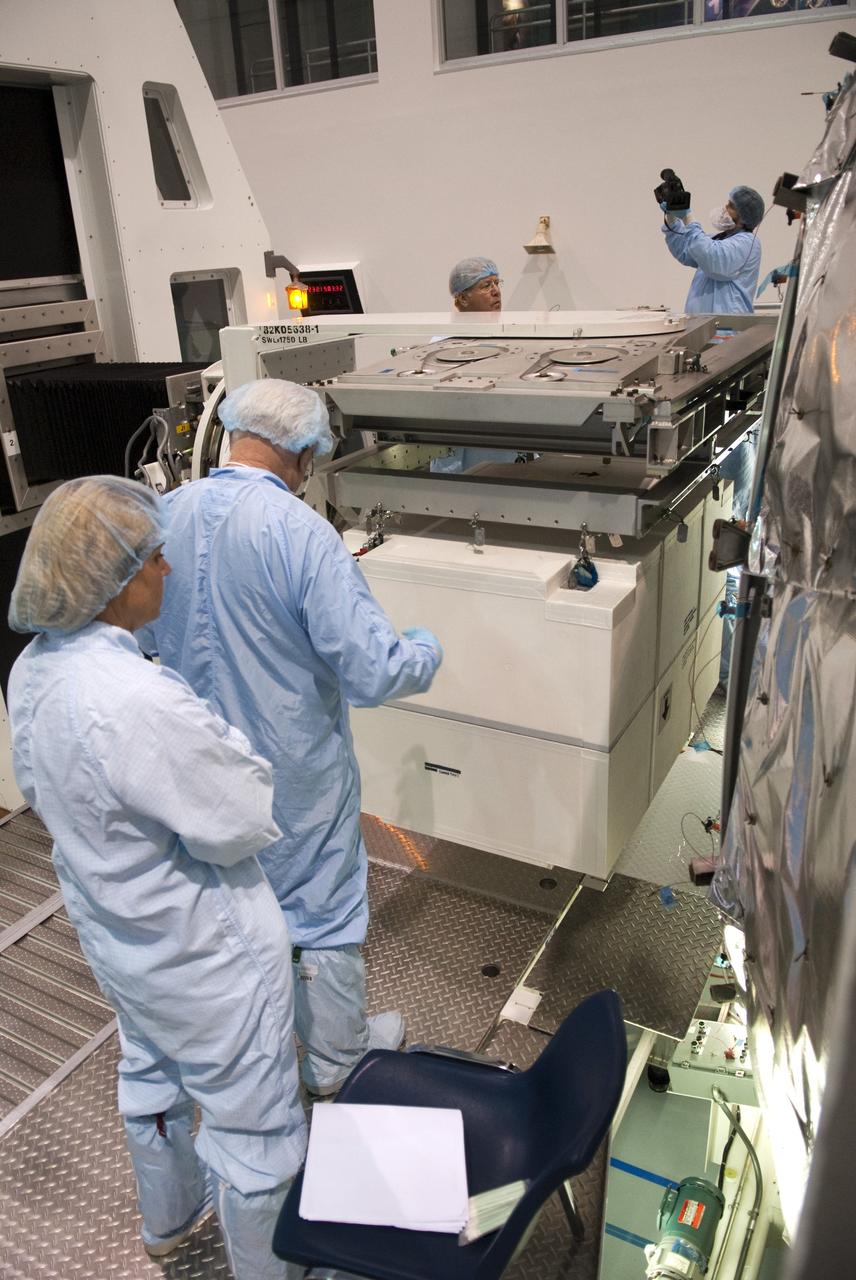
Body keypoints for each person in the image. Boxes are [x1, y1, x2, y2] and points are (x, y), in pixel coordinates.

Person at [6, 477, 307, 1279]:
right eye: (151, 559)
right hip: (207, 960)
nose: (166, 570)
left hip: (121, 940)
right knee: (256, 1130)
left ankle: (169, 1220)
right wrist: (233, 749)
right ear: (110, 581)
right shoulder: (132, 701)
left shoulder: (33, 672)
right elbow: (238, 815)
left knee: (150, 1071)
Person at [137, 379, 443, 1098]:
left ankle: (254, 1051)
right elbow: (373, 672)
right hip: (291, 773)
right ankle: (335, 1058)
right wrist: (426, 647)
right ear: (305, 453)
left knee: (231, 903)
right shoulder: (302, 535)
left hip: (196, 766)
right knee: (321, 908)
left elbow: (146, 640)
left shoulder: (164, 516)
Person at [661, 185, 765, 315]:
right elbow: (685, 250)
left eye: (731, 206)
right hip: (702, 323)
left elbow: (713, 258)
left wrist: (688, 217)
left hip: (727, 325)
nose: (725, 208)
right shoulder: (719, 239)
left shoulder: (748, 242)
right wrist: (671, 218)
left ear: (744, 218)